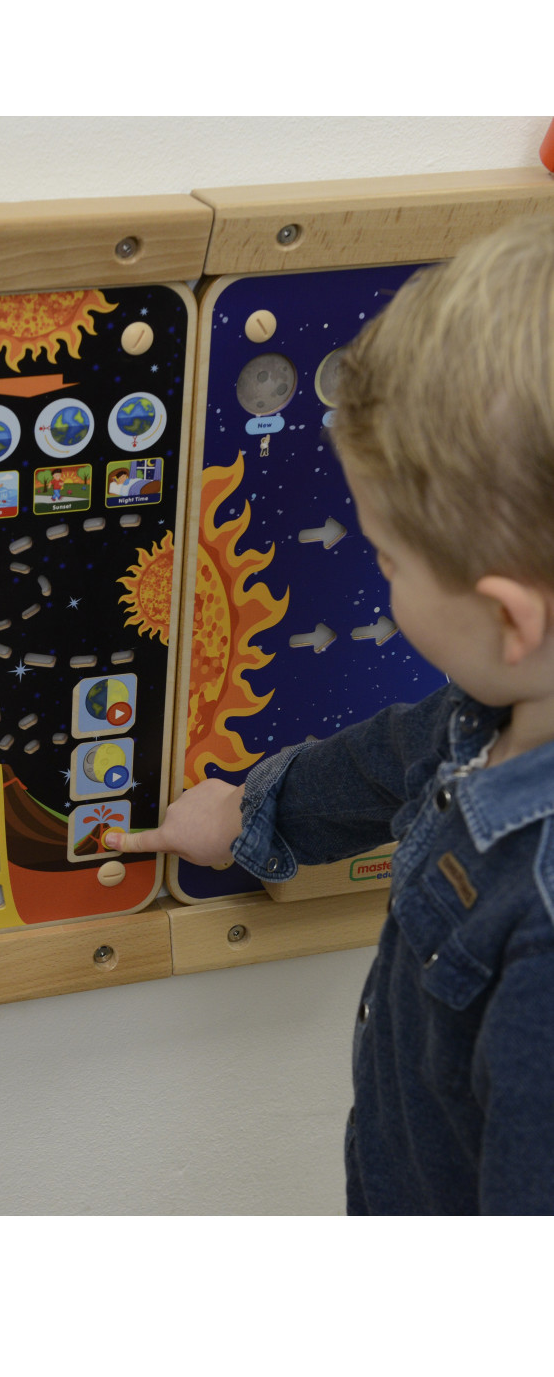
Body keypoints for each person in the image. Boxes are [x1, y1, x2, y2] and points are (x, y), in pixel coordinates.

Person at [108, 217, 554, 1215]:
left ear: (508, 618)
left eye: (388, 559)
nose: (379, 576)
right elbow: (399, 752)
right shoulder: (500, 707)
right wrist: (248, 811)